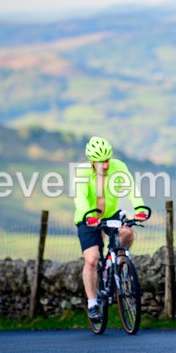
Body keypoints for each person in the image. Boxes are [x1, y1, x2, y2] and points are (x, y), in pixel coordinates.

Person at [73, 137, 148, 322]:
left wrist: (139, 208)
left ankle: (120, 261)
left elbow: (131, 188)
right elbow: (80, 198)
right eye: (100, 162)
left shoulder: (118, 166)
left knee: (127, 232)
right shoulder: (82, 172)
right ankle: (92, 303)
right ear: (91, 161)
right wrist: (87, 215)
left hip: (111, 214)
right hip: (88, 216)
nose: (105, 165)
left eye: (107, 160)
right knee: (91, 260)